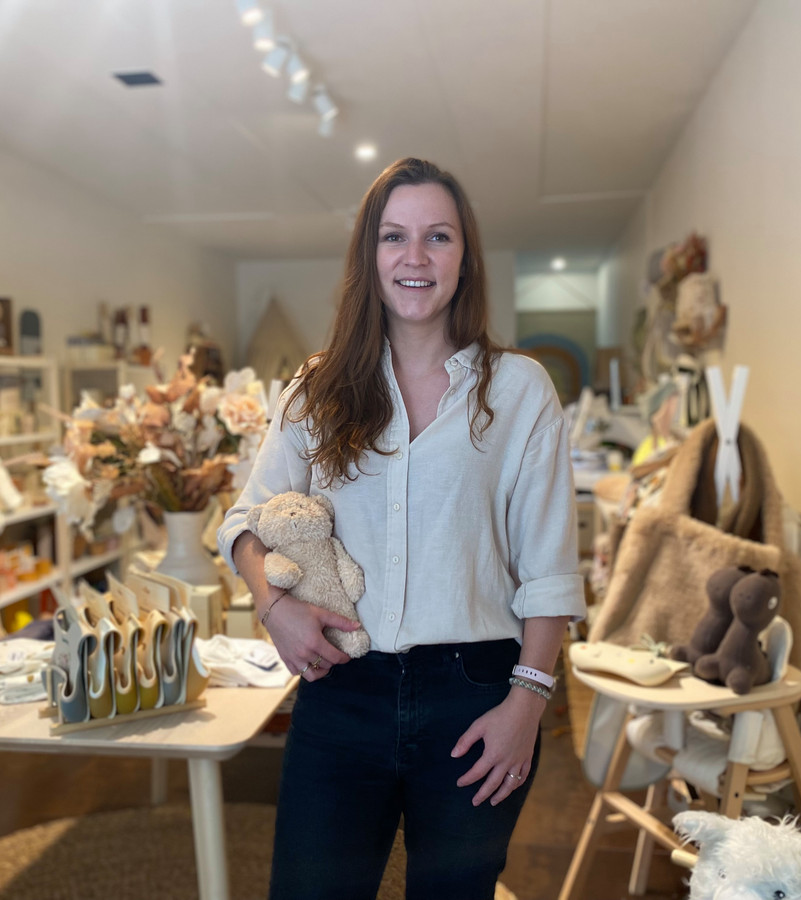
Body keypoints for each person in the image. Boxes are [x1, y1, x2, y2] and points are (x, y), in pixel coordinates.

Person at [217, 157, 584, 900]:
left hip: (478, 697)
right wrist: (273, 604)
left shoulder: (520, 391)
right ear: (370, 256)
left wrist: (527, 705)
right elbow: (245, 522)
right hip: (342, 689)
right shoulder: (316, 388)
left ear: (464, 257)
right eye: (394, 237)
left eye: (437, 236)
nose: (415, 257)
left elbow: (549, 570)